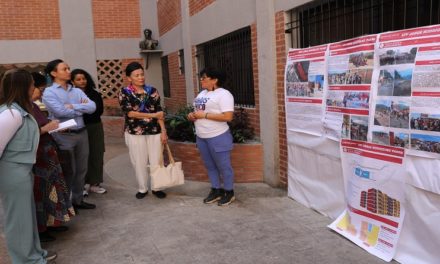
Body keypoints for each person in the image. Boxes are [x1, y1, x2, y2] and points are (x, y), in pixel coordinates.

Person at [0, 69, 57, 263]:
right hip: (12, 173)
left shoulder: (19, 110)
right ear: (23, 87)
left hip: (22, 170)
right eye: (32, 84)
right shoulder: (11, 114)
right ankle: (26, 260)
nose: (35, 87)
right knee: (18, 221)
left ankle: (33, 254)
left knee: (27, 218)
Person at [42, 59, 97, 212]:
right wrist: (81, 108)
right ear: (53, 73)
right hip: (63, 136)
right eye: (64, 69)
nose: (68, 71)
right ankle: (65, 205)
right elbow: (60, 112)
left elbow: (92, 107)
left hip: (81, 133)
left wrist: (73, 106)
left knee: (82, 169)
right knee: (68, 170)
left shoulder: (77, 91)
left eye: (68, 68)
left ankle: (78, 200)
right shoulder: (49, 92)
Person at [31, 72, 75, 243]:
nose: (41, 93)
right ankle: (42, 229)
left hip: (48, 152)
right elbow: (29, 132)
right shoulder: (20, 109)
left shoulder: (33, 106)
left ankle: (53, 223)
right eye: (39, 89)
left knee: (53, 190)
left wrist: (54, 126)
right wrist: (47, 128)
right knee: (41, 193)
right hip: (38, 156)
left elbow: (43, 124)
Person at [118, 62, 167, 199]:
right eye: (136, 75)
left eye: (142, 74)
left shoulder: (152, 91)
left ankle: (157, 187)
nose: (141, 77)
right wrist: (153, 115)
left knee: (157, 160)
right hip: (134, 133)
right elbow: (130, 113)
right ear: (129, 78)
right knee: (138, 161)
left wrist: (163, 131)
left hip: (154, 131)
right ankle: (142, 188)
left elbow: (160, 113)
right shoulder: (124, 92)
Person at [187, 67, 235, 206]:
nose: (201, 80)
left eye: (204, 78)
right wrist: (192, 116)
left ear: (215, 80)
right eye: (201, 77)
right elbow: (198, 112)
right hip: (202, 136)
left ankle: (229, 192)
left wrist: (205, 115)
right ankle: (215, 190)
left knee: (224, 166)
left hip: (218, 136)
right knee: (210, 166)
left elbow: (228, 117)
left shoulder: (224, 94)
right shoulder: (202, 94)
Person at [71, 69, 107, 195]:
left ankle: (95, 183)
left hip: (95, 127)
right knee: (81, 156)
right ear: (72, 81)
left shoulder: (94, 94)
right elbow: (72, 112)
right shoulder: (70, 95)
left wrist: (79, 108)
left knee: (97, 153)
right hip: (79, 127)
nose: (82, 81)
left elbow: (98, 110)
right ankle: (82, 185)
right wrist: (86, 107)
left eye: (84, 78)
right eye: (78, 79)